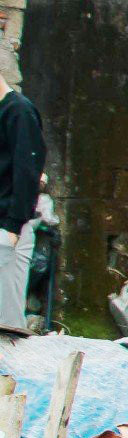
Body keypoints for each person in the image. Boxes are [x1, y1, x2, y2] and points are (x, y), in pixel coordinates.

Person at [0, 60, 44, 335]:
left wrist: (13, 226)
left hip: (9, 226)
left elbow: (27, 170)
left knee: (6, 321)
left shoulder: (19, 112)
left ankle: (9, 376)